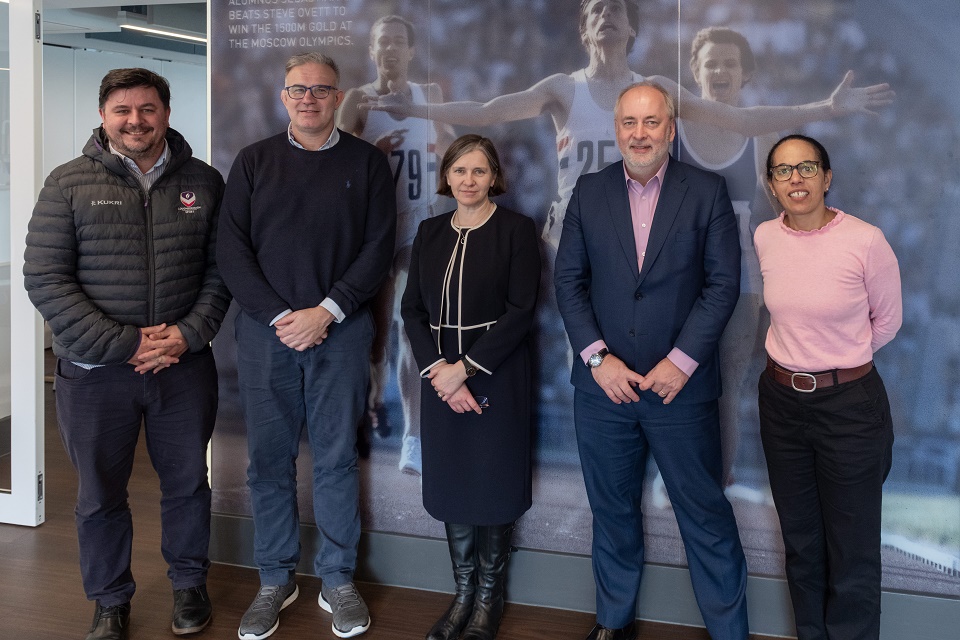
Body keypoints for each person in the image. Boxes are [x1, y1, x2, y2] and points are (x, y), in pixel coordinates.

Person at [363, 0, 893, 260]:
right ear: (585, 29)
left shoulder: (656, 88)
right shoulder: (563, 89)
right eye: (597, 9)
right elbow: (488, 110)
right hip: (574, 229)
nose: (608, 15)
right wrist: (418, 110)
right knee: (585, 350)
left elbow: (741, 120)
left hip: (639, 232)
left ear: (632, 27)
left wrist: (826, 107)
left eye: (617, 9)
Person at [24, 67, 229, 640]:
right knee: (99, 495)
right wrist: (129, 343)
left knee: (187, 484)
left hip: (183, 367)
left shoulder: (204, 182)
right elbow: (45, 279)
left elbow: (221, 271)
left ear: (166, 113)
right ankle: (110, 601)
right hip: (95, 374)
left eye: (147, 109)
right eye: (122, 110)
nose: (135, 121)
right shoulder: (67, 183)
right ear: (103, 116)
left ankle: (189, 586)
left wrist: (187, 334)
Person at [555, 82, 747, 640]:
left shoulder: (706, 191)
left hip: (680, 391)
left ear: (670, 128)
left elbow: (722, 285)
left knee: (704, 515)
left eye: (651, 122)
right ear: (616, 129)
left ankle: (729, 632)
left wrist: (681, 362)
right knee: (612, 512)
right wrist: (599, 359)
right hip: (604, 391)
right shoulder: (588, 192)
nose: (640, 134)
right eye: (629, 123)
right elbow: (568, 283)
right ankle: (613, 624)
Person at [217, 52, 396, 640]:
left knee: (337, 458)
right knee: (269, 461)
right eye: (299, 90)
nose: (309, 99)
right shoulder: (253, 162)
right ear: (283, 96)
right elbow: (231, 251)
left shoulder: (366, 163)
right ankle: (275, 578)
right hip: (266, 333)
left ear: (338, 97)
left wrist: (326, 312)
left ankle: (337, 579)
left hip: (339, 333)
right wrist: (280, 316)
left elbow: (378, 247)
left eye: (321, 90)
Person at [755, 134, 901, 640]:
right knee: (801, 543)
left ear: (827, 177)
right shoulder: (765, 237)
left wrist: (837, 363)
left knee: (852, 550)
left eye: (807, 167)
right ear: (772, 185)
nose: (796, 179)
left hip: (849, 407)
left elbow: (887, 322)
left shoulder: (866, 241)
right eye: (783, 171)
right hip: (780, 404)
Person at [400, 134, 540, 640]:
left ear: (494, 177)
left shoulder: (516, 230)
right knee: (453, 483)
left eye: (479, 171)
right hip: (440, 379)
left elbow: (521, 311)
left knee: (493, 484)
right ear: (447, 177)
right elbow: (411, 310)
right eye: (460, 170)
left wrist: (467, 368)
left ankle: (487, 600)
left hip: (497, 378)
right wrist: (440, 371)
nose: (469, 180)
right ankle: (462, 594)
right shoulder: (430, 231)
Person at [652, 26, 776, 508]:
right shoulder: (673, 129)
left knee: (726, 388)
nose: (720, 71)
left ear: (745, 73)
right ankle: (674, 474)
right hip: (677, 277)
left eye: (729, 63)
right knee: (672, 380)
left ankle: (714, 486)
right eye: (711, 63)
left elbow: (782, 213)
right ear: (696, 71)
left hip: (740, 280)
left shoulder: (759, 134)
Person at [338, 14, 455, 475]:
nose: (390, 49)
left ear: (411, 51)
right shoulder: (358, 100)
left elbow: (451, 145)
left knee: (412, 327)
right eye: (382, 41)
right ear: (372, 51)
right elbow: (332, 166)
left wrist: (441, 141)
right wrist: (372, 154)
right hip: (370, 229)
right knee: (374, 337)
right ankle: (367, 411)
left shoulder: (430, 96)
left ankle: (413, 437)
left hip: (414, 223)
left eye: (398, 42)